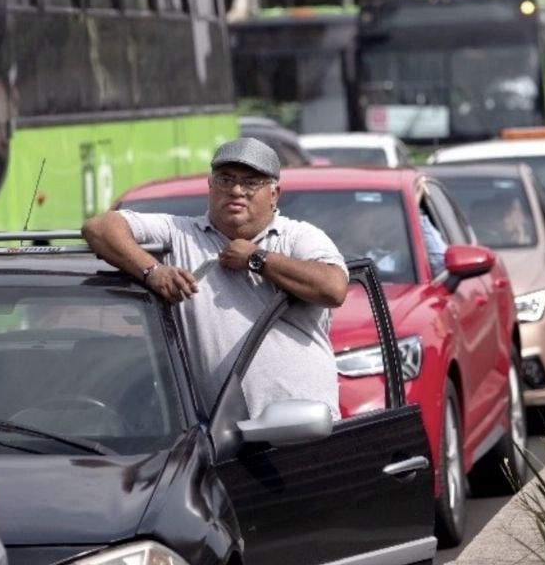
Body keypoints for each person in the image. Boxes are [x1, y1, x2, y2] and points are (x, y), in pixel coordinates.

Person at [83, 137, 348, 419]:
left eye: (250, 182)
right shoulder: (180, 234)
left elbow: (333, 288)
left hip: (302, 425)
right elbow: (99, 228)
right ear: (210, 187)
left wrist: (257, 259)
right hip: (217, 436)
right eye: (225, 180)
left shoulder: (297, 237)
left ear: (274, 194)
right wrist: (153, 272)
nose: (236, 190)